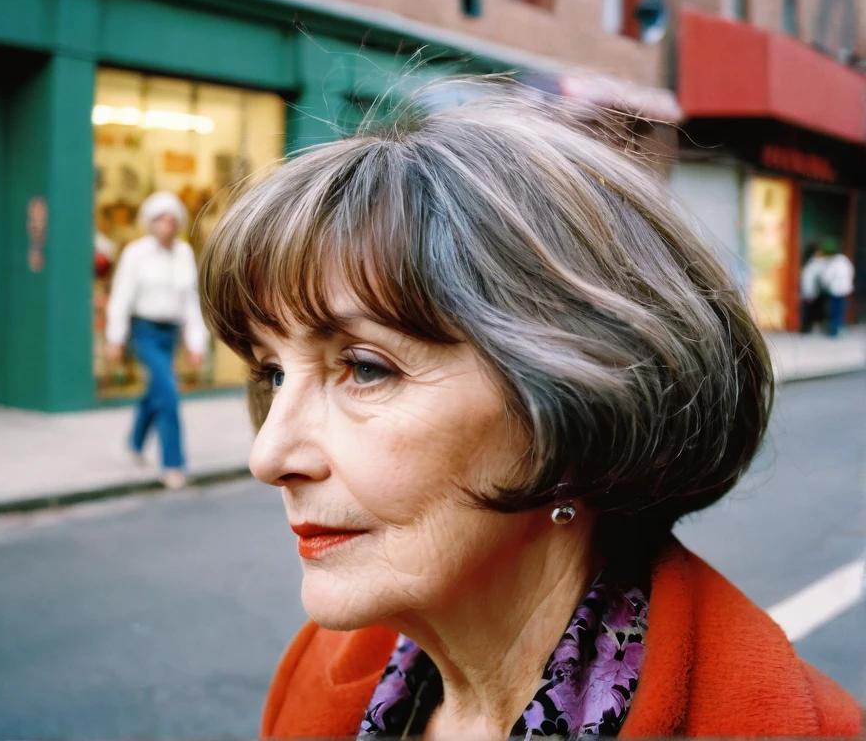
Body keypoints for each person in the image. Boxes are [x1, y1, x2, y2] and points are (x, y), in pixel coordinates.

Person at [198, 80, 861, 737]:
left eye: (366, 368)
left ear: (574, 405)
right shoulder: (320, 678)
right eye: (273, 371)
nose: (269, 456)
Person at [106, 190, 207, 489]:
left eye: (172, 219)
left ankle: (135, 443)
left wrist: (196, 342)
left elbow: (191, 301)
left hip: (170, 333)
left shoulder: (184, 254)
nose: (167, 225)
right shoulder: (136, 253)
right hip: (145, 331)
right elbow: (121, 296)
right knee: (169, 394)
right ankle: (173, 465)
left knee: (157, 391)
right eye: (161, 219)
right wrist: (115, 337)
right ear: (150, 222)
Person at [819, 239, 855, 337]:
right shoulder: (843, 260)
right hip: (844, 290)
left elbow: (826, 277)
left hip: (835, 291)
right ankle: (837, 328)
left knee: (834, 310)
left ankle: (834, 330)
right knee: (840, 310)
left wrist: (824, 285)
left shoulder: (832, 262)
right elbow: (851, 272)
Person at [799, 242, 826, 333]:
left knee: (811, 312)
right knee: (809, 312)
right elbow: (809, 280)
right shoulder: (814, 264)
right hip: (812, 293)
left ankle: (808, 328)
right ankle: (806, 328)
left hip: (814, 292)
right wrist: (809, 293)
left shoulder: (812, 263)